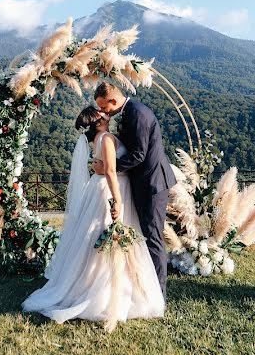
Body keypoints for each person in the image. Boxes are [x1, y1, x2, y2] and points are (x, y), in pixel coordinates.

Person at [21, 105, 165, 329]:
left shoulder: (100, 138)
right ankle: (100, 291)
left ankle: (100, 284)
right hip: (111, 189)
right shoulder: (106, 138)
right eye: (102, 112)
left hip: (102, 187)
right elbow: (109, 170)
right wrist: (117, 200)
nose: (106, 113)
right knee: (104, 236)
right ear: (98, 121)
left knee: (96, 237)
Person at [93, 82, 176, 301]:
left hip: (151, 183)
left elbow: (138, 155)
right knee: (145, 234)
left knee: (152, 237)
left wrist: (109, 168)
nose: (103, 112)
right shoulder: (128, 111)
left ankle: (158, 295)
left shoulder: (137, 114)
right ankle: (143, 284)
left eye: (104, 107)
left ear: (113, 100)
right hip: (142, 182)